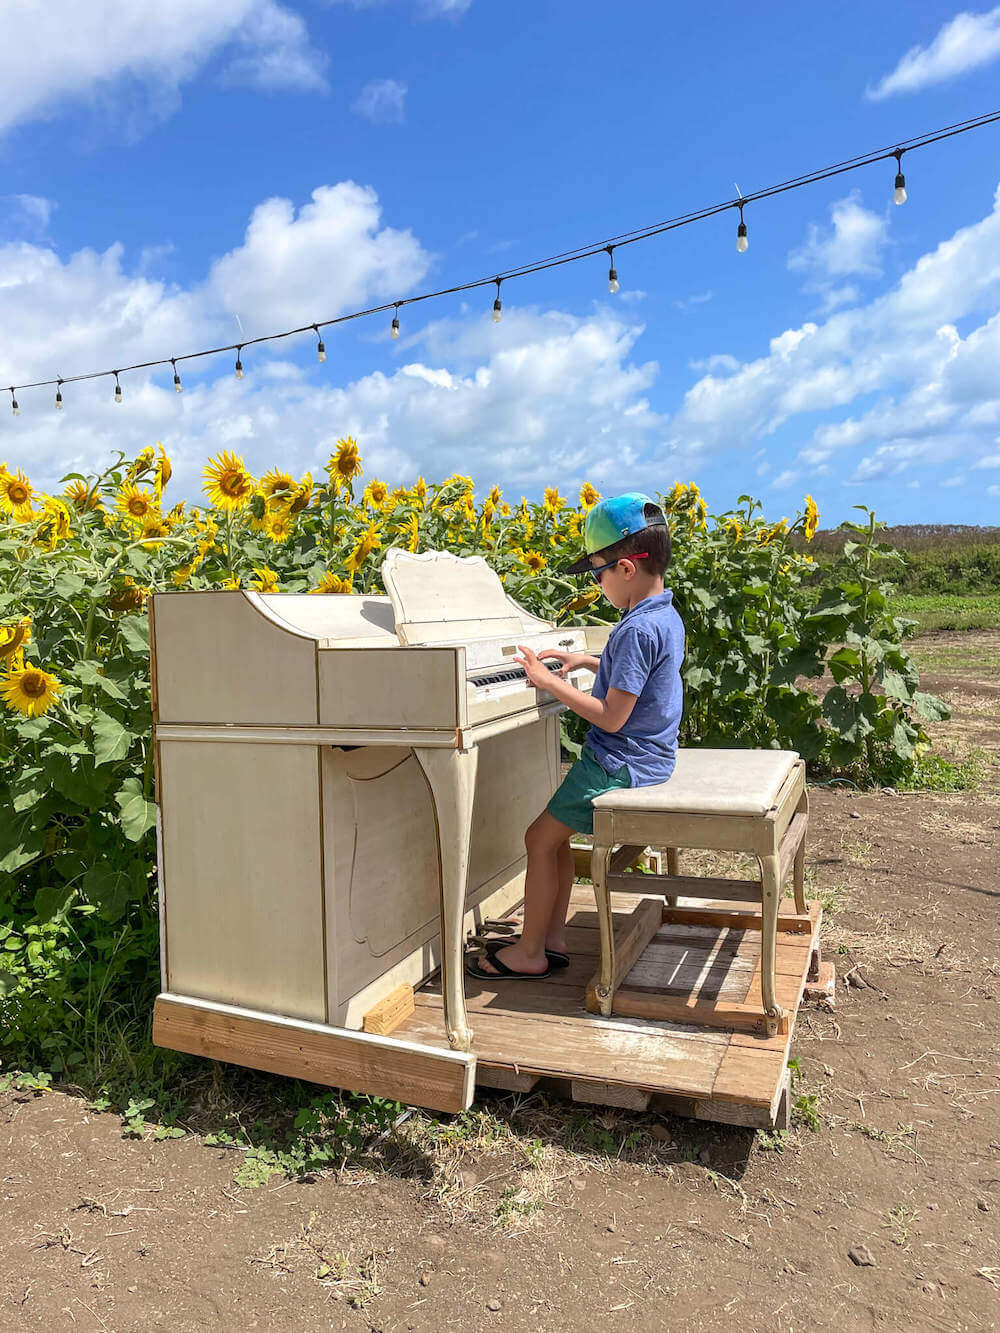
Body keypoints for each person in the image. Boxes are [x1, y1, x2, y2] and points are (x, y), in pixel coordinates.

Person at [467, 492, 684, 980]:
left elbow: (610, 717)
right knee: (554, 838)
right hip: (649, 757)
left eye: (597, 573)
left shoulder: (635, 631)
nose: (597, 583)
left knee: (538, 838)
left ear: (626, 569)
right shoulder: (662, 614)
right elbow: (637, 676)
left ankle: (528, 954)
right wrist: (587, 661)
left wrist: (549, 683)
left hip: (620, 764)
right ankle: (552, 935)